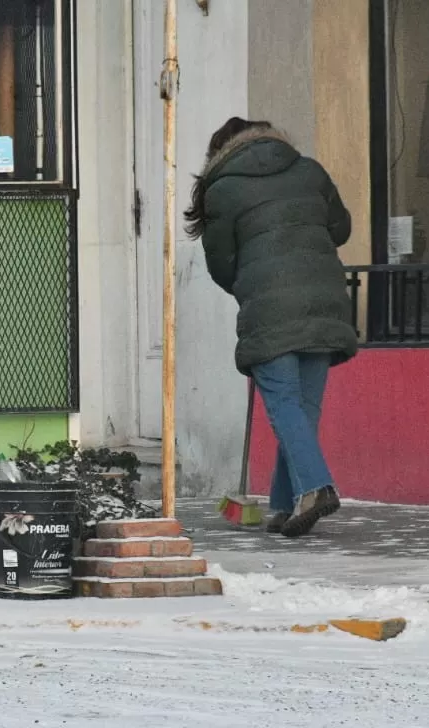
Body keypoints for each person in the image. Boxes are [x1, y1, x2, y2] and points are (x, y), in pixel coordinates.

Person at [185, 117, 357, 538]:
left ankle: (315, 488)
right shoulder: (309, 171)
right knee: (302, 410)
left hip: (270, 308)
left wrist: (252, 284)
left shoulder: (222, 190)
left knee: (284, 406)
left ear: (219, 153)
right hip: (324, 301)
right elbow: (341, 229)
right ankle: (283, 505)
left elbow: (221, 265)